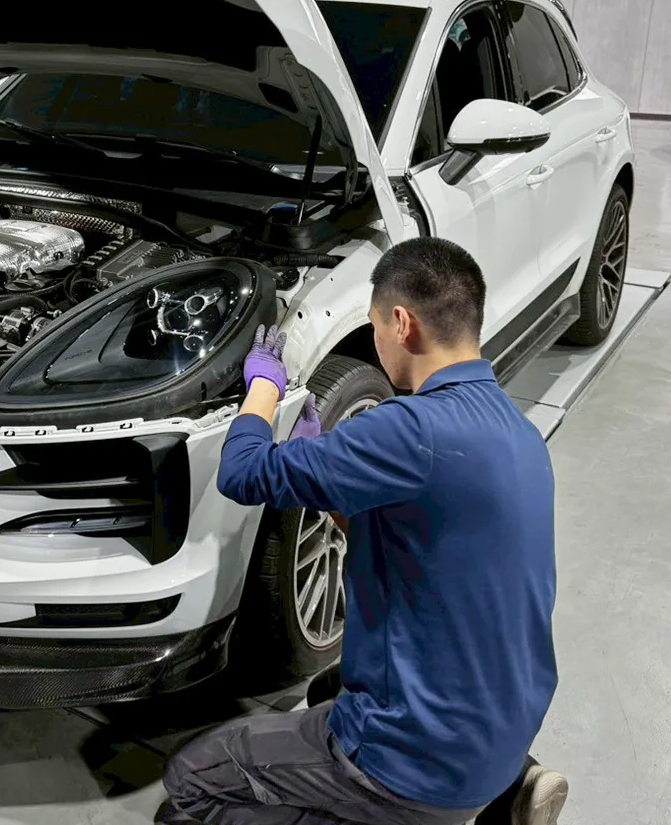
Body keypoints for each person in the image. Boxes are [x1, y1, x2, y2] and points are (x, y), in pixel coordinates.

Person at [156, 237, 567, 825]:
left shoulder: (410, 430)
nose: (375, 341)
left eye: (373, 326)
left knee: (189, 785)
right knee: (331, 689)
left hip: (414, 760)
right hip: (506, 724)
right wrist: (331, 480)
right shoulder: (517, 432)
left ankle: (410, 809)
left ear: (401, 323)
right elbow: (409, 540)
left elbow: (242, 473)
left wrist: (263, 389)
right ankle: (506, 786)